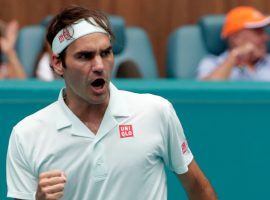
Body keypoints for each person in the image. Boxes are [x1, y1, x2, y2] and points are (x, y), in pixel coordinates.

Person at [6, 5, 216, 200]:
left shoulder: (156, 111)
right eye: (85, 56)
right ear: (58, 64)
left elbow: (198, 187)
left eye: (106, 53)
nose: (99, 65)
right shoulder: (26, 135)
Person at [197, 6, 270, 81]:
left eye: (264, 32)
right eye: (258, 32)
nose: (266, 37)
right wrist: (233, 57)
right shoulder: (212, 63)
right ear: (236, 38)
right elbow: (207, 90)